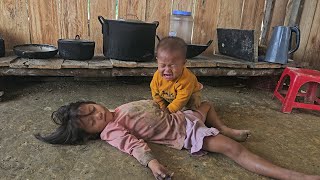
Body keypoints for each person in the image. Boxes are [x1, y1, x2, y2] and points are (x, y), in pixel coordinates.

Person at [35, 100, 320, 180]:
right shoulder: (112, 130)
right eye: (92, 121)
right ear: (93, 133)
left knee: (206, 105)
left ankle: (227, 128)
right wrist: (153, 164)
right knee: (234, 150)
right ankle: (294, 176)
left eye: (91, 109)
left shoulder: (116, 109)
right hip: (187, 133)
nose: (98, 114)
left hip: (184, 116)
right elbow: (134, 146)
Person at [150, 36, 203, 114]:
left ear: (183, 64)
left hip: (188, 96)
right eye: (162, 65)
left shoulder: (187, 79)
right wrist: (162, 107)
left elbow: (182, 99)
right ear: (157, 61)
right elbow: (155, 93)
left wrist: (169, 110)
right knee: (156, 106)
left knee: (192, 104)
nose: (167, 70)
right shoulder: (157, 76)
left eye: (172, 65)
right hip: (169, 96)